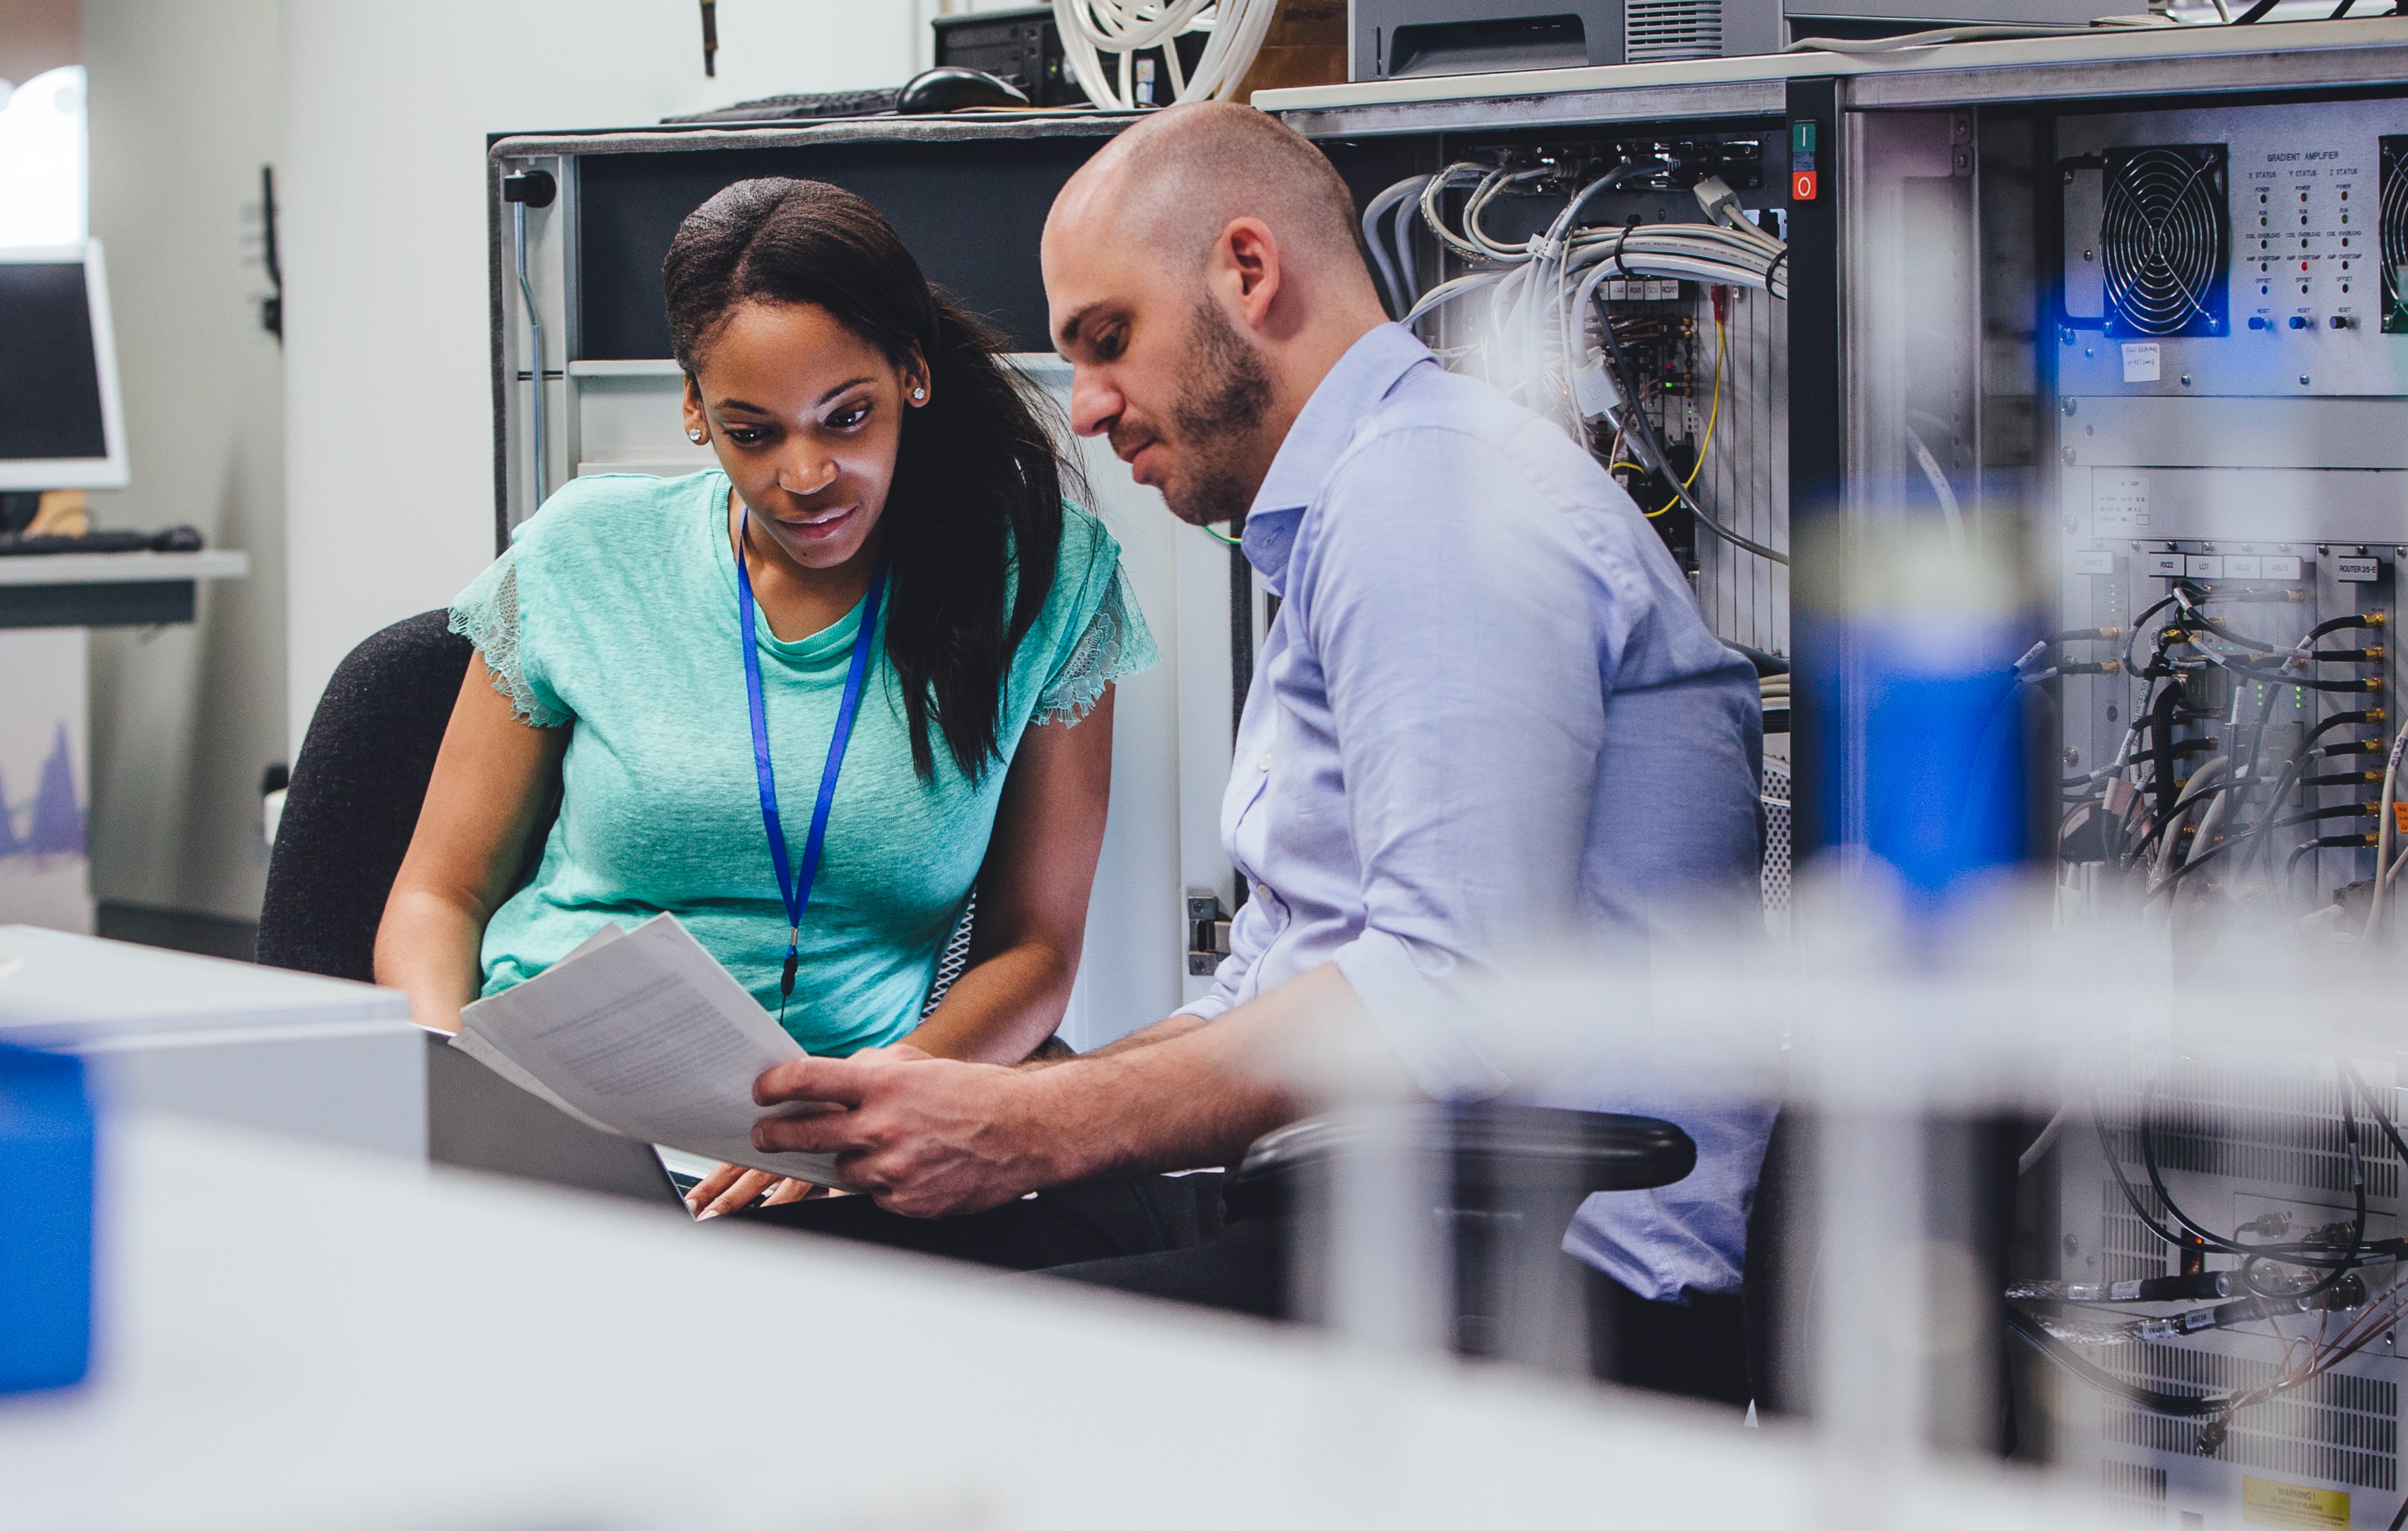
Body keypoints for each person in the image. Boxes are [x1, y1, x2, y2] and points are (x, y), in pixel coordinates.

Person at [740, 102, 1769, 1402]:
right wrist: (933, 1106)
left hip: (1540, 1290)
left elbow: (1450, 991)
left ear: (1247, 268)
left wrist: (1031, 1124)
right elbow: (1276, 985)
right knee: (787, 1277)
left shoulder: (1431, 501)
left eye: (1107, 342)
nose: (1095, 408)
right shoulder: (1363, 508)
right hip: (1357, 1219)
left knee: (869, 1366)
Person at [378, 178, 1154, 1218]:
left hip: (843, 1148)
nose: (806, 474)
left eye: (847, 417)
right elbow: (439, 894)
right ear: (695, 411)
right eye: (754, 432)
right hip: (557, 1123)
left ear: (911, 373)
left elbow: (1035, 949)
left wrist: (880, 1104)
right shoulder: (584, 554)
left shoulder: (1046, 584)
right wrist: (453, 1092)